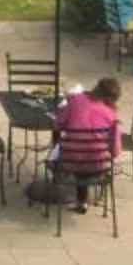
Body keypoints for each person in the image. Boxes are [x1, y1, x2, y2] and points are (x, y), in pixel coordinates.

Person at [51, 77, 123, 211]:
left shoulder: (76, 101)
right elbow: (115, 151)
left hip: (69, 160)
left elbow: (56, 125)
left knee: (69, 153)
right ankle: (82, 201)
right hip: (98, 164)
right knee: (89, 152)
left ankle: (59, 179)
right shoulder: (112, 116)